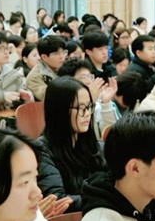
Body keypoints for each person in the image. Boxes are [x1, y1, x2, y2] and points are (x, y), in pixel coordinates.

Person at [37, 77, 106, 213]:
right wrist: (105, 197)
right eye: (81, 108)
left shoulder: (92, 145)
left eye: (89, 107)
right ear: (60, 110)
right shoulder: (41, 150)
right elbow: (58, 201)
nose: (87, 114)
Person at [25, 35, 67, 101]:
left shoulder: (65, 67)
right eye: (56, 54)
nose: (62, 57)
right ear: (44, 57)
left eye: (64, 52)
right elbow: (49, 97)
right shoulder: (34, 77)